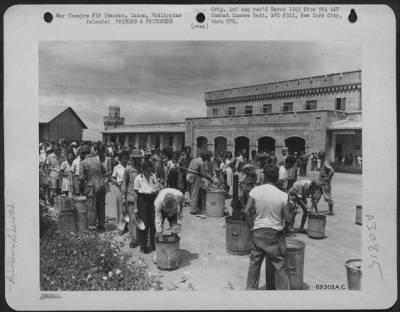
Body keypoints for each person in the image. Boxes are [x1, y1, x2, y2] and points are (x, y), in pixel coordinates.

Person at [244, 165, 291, 290]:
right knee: (280, 265)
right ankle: (282, 296)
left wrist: (251, 225)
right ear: (277, 178)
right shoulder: (283, 195)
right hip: (275, 233)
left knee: (254, 264)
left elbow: (246, 210)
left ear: (264, 176)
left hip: (257, 231)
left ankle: (250, 292)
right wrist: (285, 229)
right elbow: (288, 219)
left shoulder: (255, 191)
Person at [79, 143, 106, 232]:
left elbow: (82, 178)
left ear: (83, 153)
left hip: (92, 188)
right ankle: (101, 225)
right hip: (101, 186)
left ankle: (92, 227)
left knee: (92, 208)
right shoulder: (97, 160)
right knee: (101, 206)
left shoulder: (83, 162)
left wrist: (81, 189)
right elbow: (104, 172)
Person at [134, 162, 159, 253]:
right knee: (144, 224)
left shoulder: (153, 176)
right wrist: (136, 208)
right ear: (143, 170)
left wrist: (156, 203)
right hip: (142, 201)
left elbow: (156, 191)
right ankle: (143, 245)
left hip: (152, 200)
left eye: (150, 170)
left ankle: (153, 244)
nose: (149, 172)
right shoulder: (138, 178)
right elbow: (136, 194)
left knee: (153, 224)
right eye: (147, 170)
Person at [121, 150, 143, 248]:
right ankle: (133, 240)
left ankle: (141, 238)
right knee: (132, 219)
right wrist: (123, 198)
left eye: (139, 158)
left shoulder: (143, 168)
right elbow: (124, 184)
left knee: (141, 218)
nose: (138, 160)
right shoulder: (128, 169)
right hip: (131, 197)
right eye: (136, 159)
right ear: (132, 159)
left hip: (142, 196)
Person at [112, 151, 129, 230]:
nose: (125, 160)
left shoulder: (129, 167)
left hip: (128, 190)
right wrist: (118, 183)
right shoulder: (116, 168)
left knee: (127, 207)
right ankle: (120, 224)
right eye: (123, 159)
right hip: (119, 189)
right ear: (120, 159)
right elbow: (112, 178)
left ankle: (128, 224)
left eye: (126, 159)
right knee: (120, 206)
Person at [317, 150, 335, 215]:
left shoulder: (325, 162)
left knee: (328, 196)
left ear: (322, 156)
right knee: (317, 194)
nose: (318, 157)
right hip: (321, 181)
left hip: (325, 182)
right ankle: (312, 208)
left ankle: (331, 211)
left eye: (319, 156)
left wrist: (328, 177)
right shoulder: (323, 162)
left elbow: (332, 170)